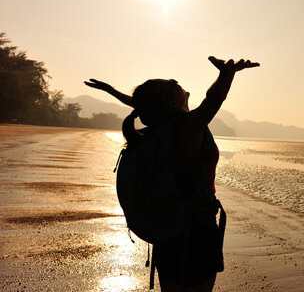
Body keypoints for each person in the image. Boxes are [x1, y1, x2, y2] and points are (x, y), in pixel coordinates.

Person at [85, 56, 259, 292]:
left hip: (168, 229)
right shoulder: (190, 125)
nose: (175, 81)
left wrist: (113, 91)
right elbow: (214, 99)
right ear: (174, 103)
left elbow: (147, 106)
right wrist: (226, 75)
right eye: (171, 82)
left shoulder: (159, 128)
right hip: (197, 230)